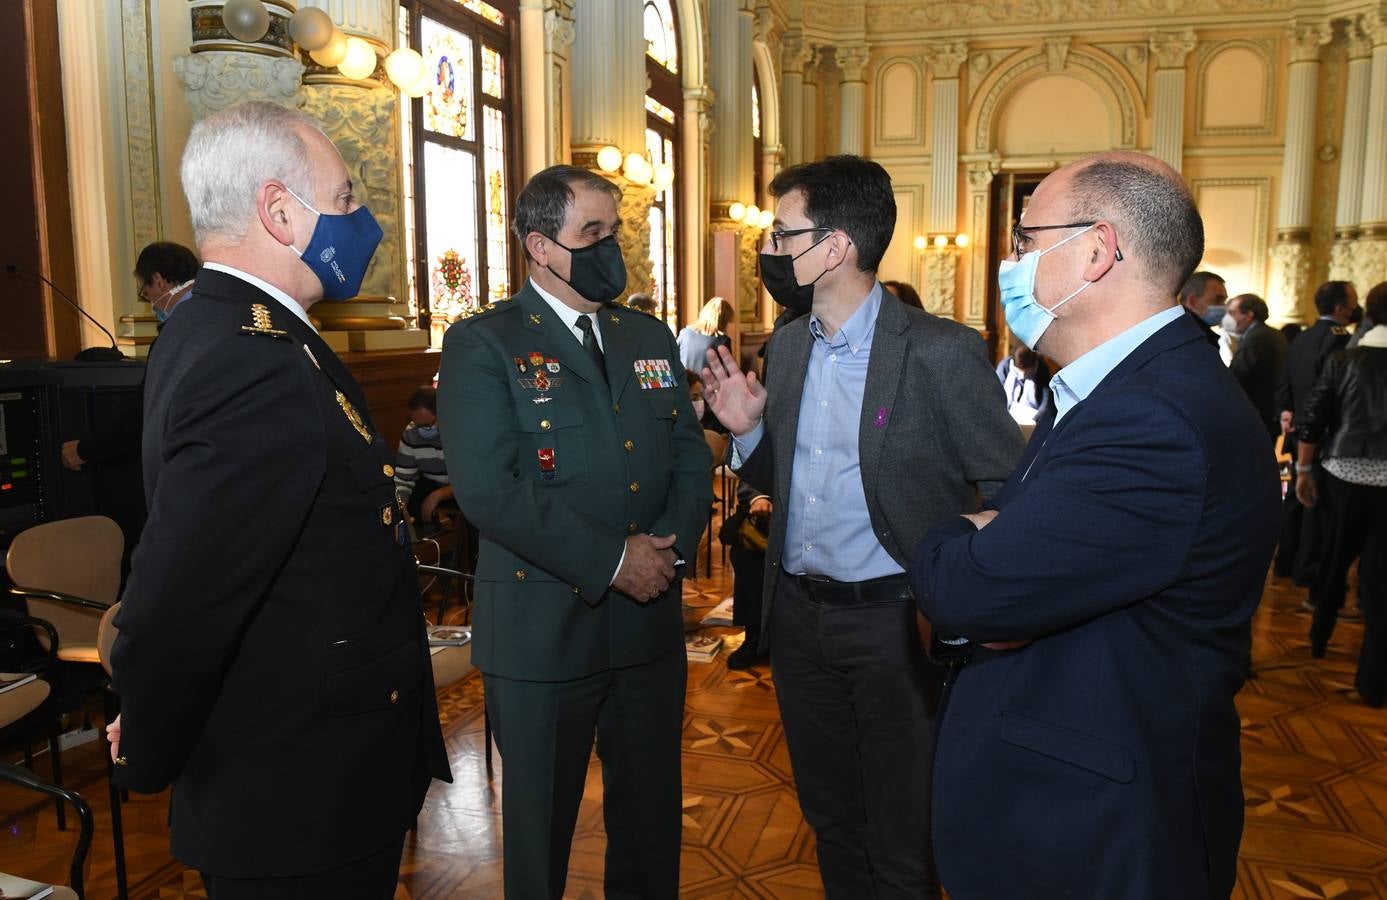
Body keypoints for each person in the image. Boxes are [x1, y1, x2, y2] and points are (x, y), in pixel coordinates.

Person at [909, 152, 1280, 899]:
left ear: (1095, 250)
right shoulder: (1121, 386)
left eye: (1022, 241)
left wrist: (955, 530)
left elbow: (973, 591)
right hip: (1072, 797)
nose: (1010, 262)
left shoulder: (1151, 416)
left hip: (1093, 827)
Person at [106, 101, 450, 898]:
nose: (362, 221)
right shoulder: (250, 358)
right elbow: (182, 598)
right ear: (279, 211)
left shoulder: (224, 329)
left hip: (316, 764)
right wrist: (149, 741)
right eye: (344, 200)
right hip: (301, 787)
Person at [701, 154, 1023, 899]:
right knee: (831, 814)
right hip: (801, 618)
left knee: (904, 828)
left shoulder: (937, 352)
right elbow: (787, 474)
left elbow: (1008, 482)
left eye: (781, 235)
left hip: (896, 621)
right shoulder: (784, 346)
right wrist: (748, 434)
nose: (767, 251)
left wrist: (966, 569)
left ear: (837, 245)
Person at [437, 164, 711, 899]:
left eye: (613, 231)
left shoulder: (644, 335)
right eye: (591, 232)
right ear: (541, 246)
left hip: (647, 624)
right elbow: (490, 491)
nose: (609, 248)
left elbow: (689, 457)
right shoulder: (484, 343)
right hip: (540, 625)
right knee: (540, 828)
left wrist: (665, 551)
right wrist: (615, 558)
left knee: (651, 818)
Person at [1297, 280, 1387, 707]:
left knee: (1333, 562)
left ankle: (1318, 640)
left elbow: (1314, 419)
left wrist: (1302, 469)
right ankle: (1372, 683)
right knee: (1382, 583)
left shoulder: (1344, 359)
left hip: (1343, 474)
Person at [60, 242, 200, 473]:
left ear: (158, 280)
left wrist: (84, 450)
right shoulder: (219, 311)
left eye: (146, 294)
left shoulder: (176, 335)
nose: (151, 303)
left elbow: (143, 418)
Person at [1274, 280, 1360, 584]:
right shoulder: (1340, 340)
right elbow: (1329, 392)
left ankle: (1285, 560)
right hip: (1321, 431)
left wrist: (1286, 410)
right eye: (1352, 301)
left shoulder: (1302, 336)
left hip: (1298, 426)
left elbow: (1285, 378)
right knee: (1314, 500)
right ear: (1340, 308)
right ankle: (1307, 570)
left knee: (1295, 499)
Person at [1224, 292, 1288, 439]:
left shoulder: (1257, 337)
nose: (1227, 318)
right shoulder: (1273, 333)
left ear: (1248, 315)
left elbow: (1236, 375)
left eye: (1232, 312)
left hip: (1257, 413)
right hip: (1270, 411)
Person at [393, 385, 455, 524]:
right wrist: (402, 509)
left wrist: (439, 495)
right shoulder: (411, 433)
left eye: (426, 425)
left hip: (462, 492)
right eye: (417, 424)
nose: (421, 430)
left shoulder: (457, 431)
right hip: (431, 486)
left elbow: (474, 481)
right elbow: (403, 479)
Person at [994, 341, 1053, 422]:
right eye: (1019, 372)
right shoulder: (1005, 366)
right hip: (1007, 414)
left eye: (1027, 372)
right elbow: (996, 393)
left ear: (1033, 365)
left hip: (1032, 417)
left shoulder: (1041, 368)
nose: (1023, 376)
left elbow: (1047, 398)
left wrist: (1037, 417)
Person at [676, 296, 733, 373]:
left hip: (683, 383)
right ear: (723, 321)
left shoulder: (684, 333)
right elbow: (729, 371)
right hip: (708, 384)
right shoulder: (723, 341)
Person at [1178, 269, 1226, 348]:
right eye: (1218, 300)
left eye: (1224, 301)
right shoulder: (1190, 339)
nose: (1224, 307)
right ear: (1192, 302)